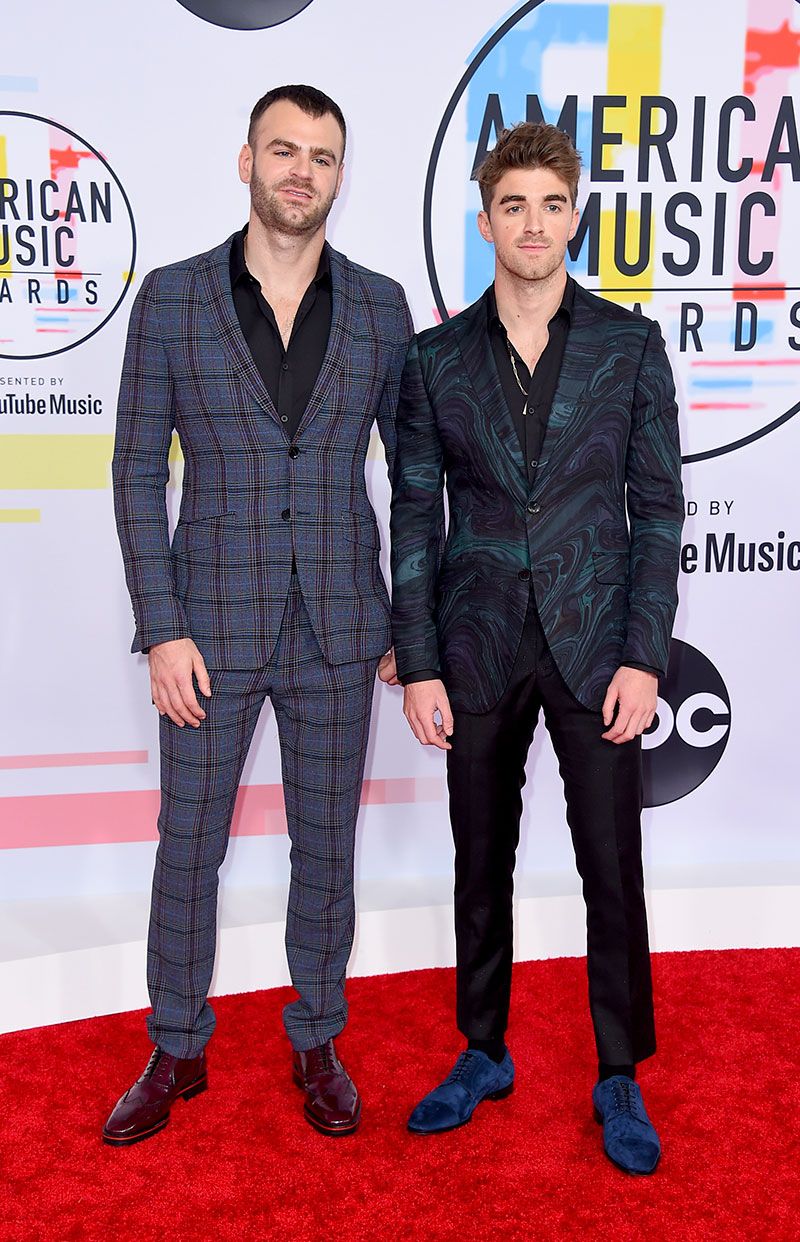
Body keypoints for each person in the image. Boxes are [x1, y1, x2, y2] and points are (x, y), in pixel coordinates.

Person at [105, 84, 411, 1145]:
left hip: (341, 628)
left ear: (339, 176)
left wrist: (408, 625)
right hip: (206, 631)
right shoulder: (172, 298)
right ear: (246, 161)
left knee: (325, 849)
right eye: (283, 150)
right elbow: (136, 470)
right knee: (188, 845)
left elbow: (415, 477)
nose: (300, 171)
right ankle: (176, 1047)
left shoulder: (380, 307)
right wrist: (162, 626)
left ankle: (316, 1039)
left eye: (320, 157)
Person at [389, 122, 683, 1174]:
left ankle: (618, 1072)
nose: (532, 223)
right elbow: (413, 516)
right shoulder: (432, 360)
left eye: (551, 205)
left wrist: (644, 653)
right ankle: (482, 1050)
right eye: (512, 205)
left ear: (574, 218)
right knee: (480, 860)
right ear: (484, 222)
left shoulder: (628, 347)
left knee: (611, 862)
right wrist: (418, 658)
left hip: (596, 644)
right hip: (474, 644)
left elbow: (657, 509)